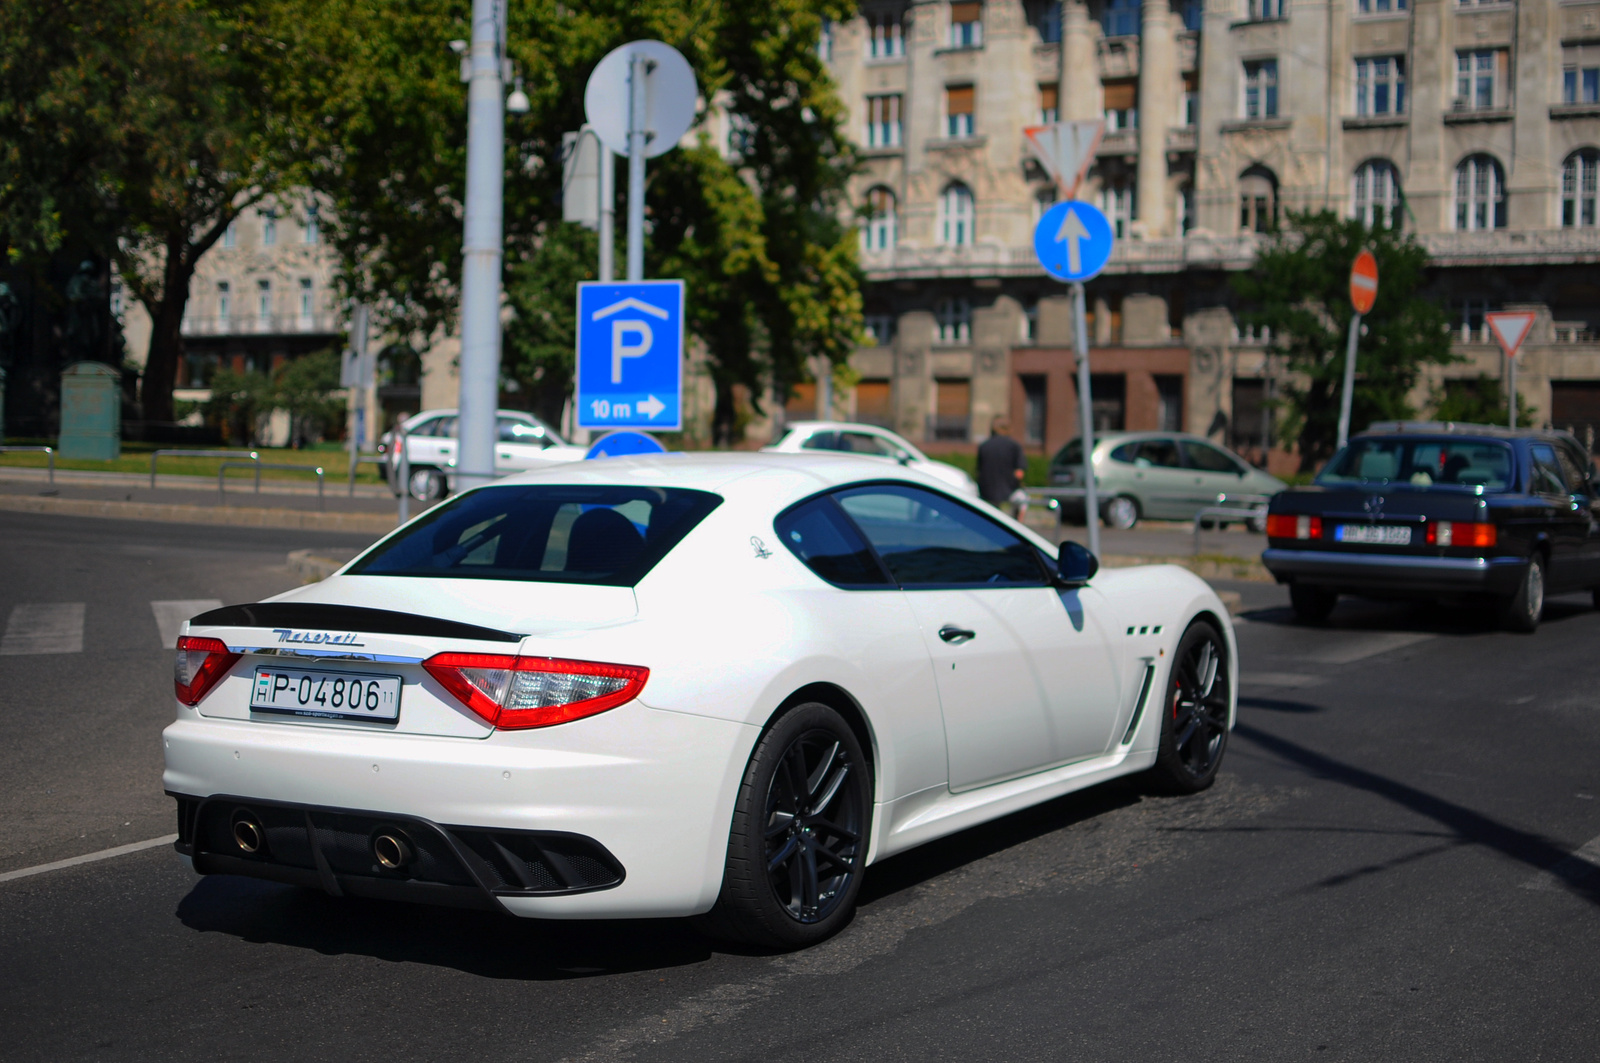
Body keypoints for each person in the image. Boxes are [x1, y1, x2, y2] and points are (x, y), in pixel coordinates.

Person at [977, 416, 1028, 519]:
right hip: (1008, 491)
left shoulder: (984, 446)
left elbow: (979, 471)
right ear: (1008, 428)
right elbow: (1019, 473)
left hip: (987, 492)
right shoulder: (1014, 446)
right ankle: (1018, 525)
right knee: (1023, 500)